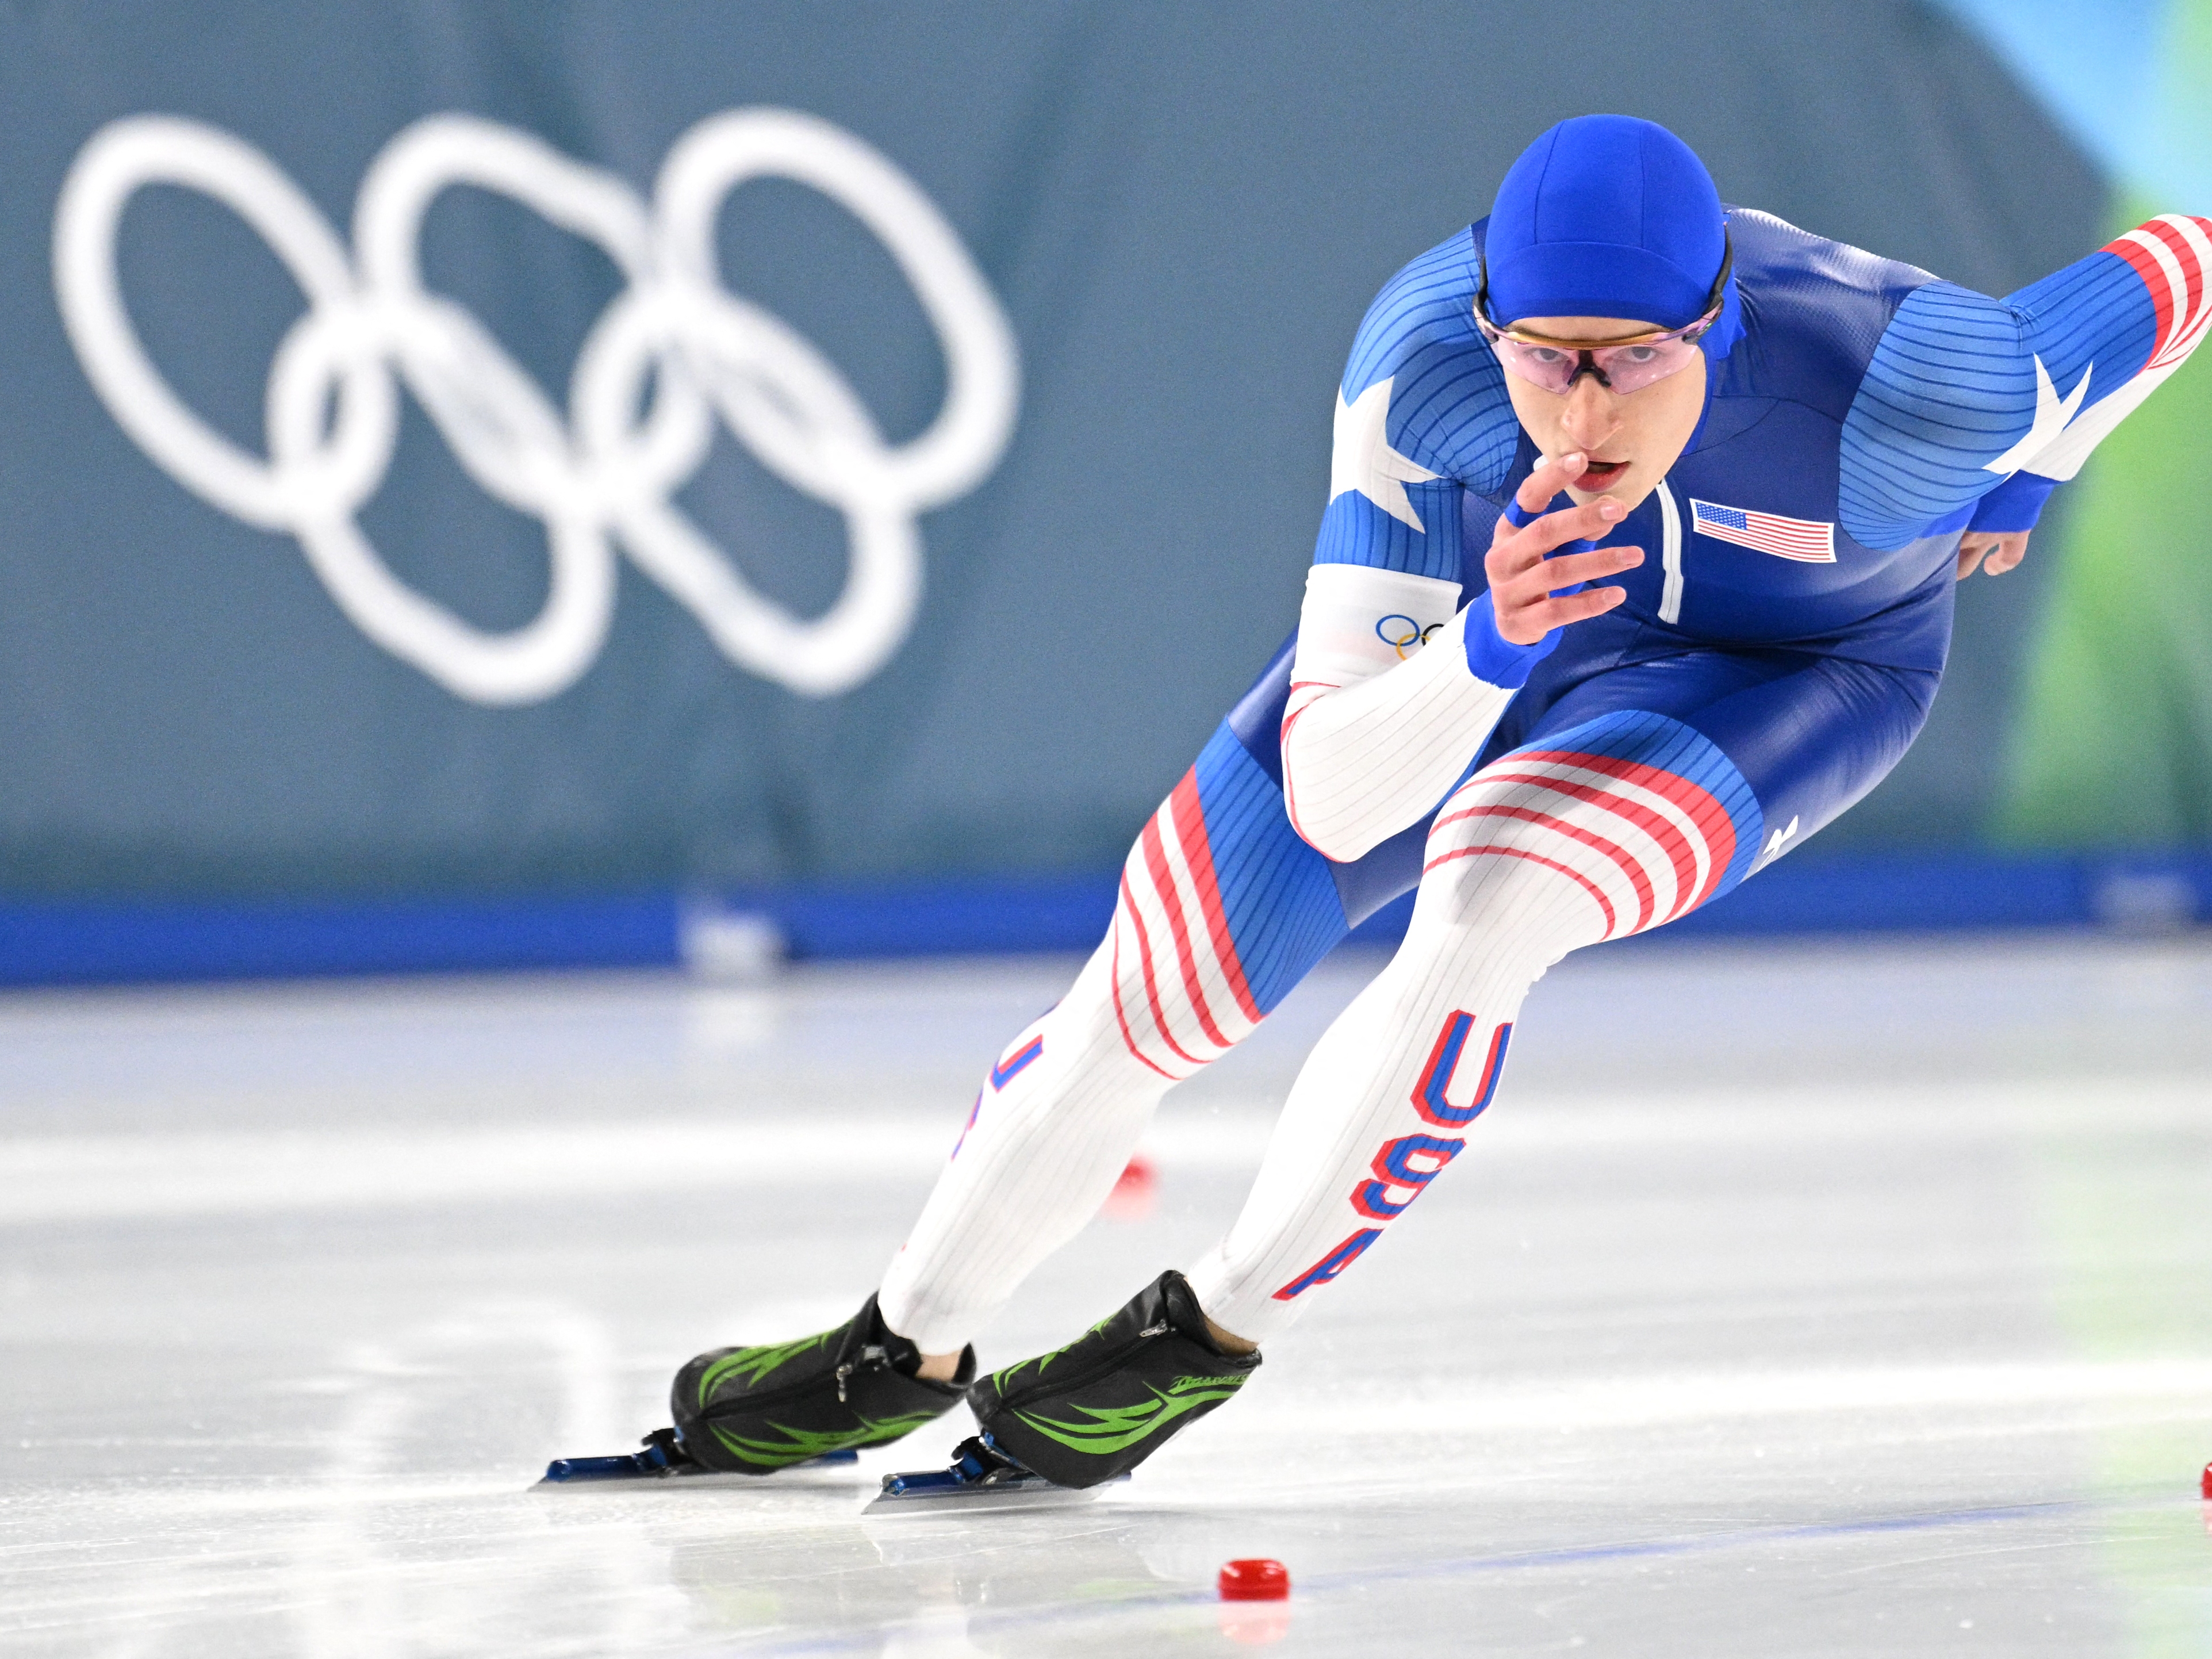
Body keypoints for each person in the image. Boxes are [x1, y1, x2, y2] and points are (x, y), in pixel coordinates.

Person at [664, 114, 2211, 1488]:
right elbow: (1336, 800)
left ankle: (1205, 1334)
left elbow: (2183, 269)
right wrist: (1490, 642)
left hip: (1784, 672)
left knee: (1492, 891)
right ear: (1490, 324)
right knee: (1163, 977)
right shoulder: (1427, 359)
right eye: (1544, 355)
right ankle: (901, 1346)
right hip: (1501, 627)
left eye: (1634, 362)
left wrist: (2038, 462)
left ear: (1718, 324)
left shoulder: (1928, 384)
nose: (1581, 415)